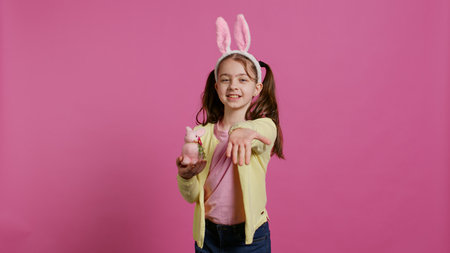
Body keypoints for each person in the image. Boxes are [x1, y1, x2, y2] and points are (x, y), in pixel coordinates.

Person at [176, 14, 284, 252]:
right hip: (209, 236)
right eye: (225, 80)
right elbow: (192, 195)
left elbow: (268, 129)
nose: (233, 86)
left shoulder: (260, 129)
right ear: (217, 87)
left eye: (242, 80)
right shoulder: (200, 136)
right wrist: (186, 176)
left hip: (250, 237)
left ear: (257, 88)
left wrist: (244, 131)